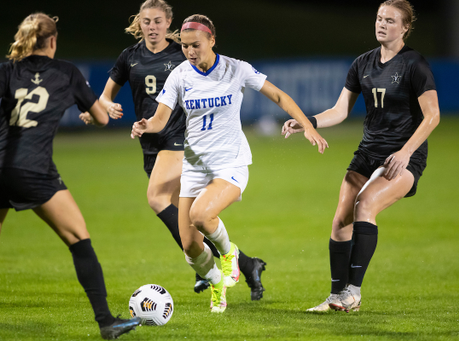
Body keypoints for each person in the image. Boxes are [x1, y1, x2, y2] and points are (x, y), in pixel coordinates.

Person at [131, 14, 328, 313]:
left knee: (200, 214)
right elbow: (161, 118)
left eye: (196, 45)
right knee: (190, 247)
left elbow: (277, 95)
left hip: (230, 164)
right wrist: (147, 125)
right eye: (184, 47)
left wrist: (308, 126)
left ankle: (229, 253)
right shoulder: (180, 75)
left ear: (212, 40)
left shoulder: (236, 69)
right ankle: (216, 282)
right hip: (195, 166)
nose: (190, 52)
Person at [0, 13, 141, 339]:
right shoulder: (67, 72)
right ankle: (107, 322)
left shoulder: (7, 69)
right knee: (79, 239)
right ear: (53, 41)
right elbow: (102, 119)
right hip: (33, 169)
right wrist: (94, 112)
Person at [90, 0, 267, 300]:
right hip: (150, 143)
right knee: (185, 223)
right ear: (139, 23)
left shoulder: (183, 52)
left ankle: (208, 272)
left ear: (168, 22)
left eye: (158, 21)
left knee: (156, 197)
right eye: (146, 21)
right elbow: (105, 97)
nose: (152, 27)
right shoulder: (129, 57)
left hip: (180, 139)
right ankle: (247, 265)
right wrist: (100, 108)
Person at [282, 0, 440, 312]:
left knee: (365, 205)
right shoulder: (363, 63)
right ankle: (336, 297)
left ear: (405, 27)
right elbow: (339, 111)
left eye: (391, 20)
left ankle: (353, 292)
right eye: (380, 18)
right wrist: (307, 121)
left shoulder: (414, 64)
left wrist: (406, 152)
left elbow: (432, 116)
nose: (382, 24)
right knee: (341, 220)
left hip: (400, 158)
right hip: (367, 154)